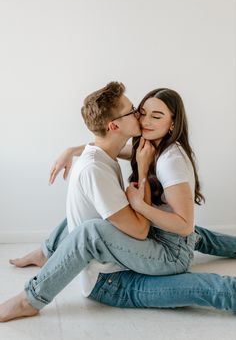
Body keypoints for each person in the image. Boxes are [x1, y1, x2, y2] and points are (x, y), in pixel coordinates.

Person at [1, 82, 236, 322]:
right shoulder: (145, 146)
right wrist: (72, 149)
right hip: (160, 243)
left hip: (160, 258)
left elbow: (181, 227)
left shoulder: (168, 159)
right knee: (101, 210)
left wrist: (141, 198)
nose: (143, 119)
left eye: (156, 116)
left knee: (209, 281)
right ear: (114, 125)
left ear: (173, 122)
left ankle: (30, 299)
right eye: (139, 111)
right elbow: (107, 145)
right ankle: (46, 252)